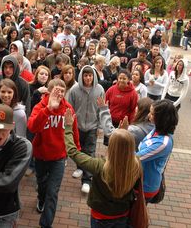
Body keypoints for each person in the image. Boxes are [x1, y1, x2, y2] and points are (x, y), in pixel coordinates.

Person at [64, 109, 142, 228]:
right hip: (123, 215)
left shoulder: (99, 166)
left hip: (101, 217)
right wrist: (123, 134)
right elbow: (124, 148)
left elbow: (73, 152)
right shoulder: (136, 164)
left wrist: (68, 127)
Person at [27, 79, 80, 228]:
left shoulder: (68, 108)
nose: (60, 94)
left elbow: (74, 129)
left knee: (53, 191)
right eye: (57, 90)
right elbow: (32, 127)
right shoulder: (40, 106)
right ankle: (40, 199)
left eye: (62, 91)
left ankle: (45, 224)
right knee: (42, 184)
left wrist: (76, 149)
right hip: (41, 155)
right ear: (49, 91)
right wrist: (48, 109)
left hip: (59, 156)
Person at [68, 66, 105, 194]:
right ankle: (80, 167)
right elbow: (70, 109)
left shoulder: (99, 89)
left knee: (89, 152)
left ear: (94, 76)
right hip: (77, 126)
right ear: (81, 76)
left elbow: (102, 109)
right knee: (79, 149)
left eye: (90, 75)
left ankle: (87, 180)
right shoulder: (74, 90)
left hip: (92, 127)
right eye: (85, 75)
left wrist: (100, 127)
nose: (88, 78)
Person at [137, 99, 178, 202]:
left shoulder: (163, 143)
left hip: (145, 186)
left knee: (136, 215)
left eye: (152, 114)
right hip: (139, 180)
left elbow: (137, 158)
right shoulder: (156, 129)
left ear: (161, 118)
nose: (148, 116)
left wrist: (123, 140)